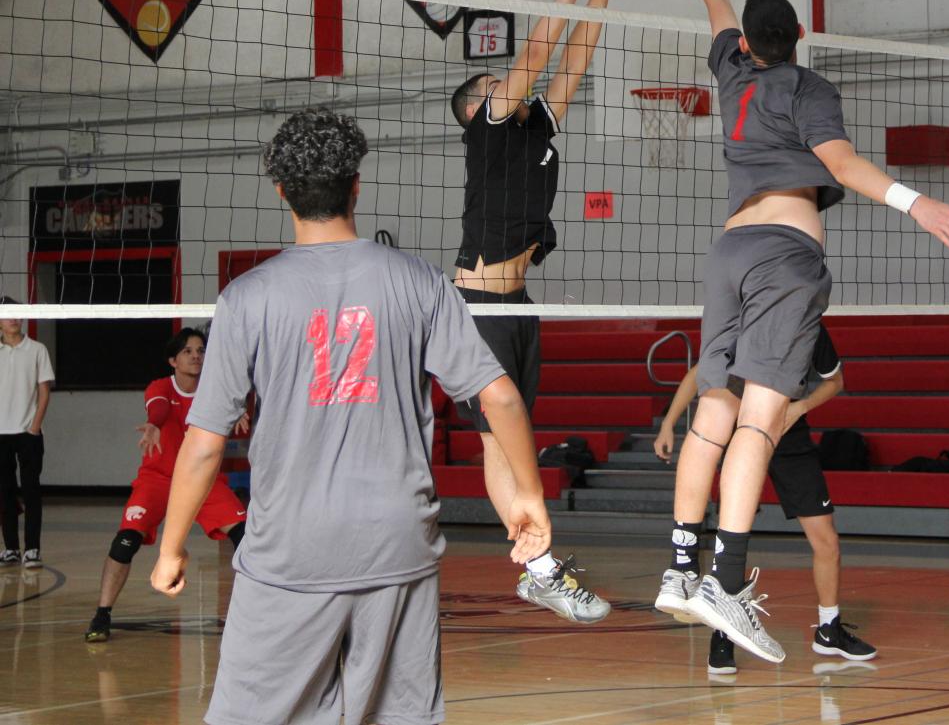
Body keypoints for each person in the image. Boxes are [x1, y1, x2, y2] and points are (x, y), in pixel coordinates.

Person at [653, 0, 949, 664]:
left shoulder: (729, 72)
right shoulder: (807, 88)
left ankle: (681, 565)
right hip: (782, 259)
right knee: (759, 421)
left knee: (714, 416)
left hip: (724, 251)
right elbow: (840, 166)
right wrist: (915, 202)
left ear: (746, 44)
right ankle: (726, 582)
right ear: (793, 39)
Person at [150, 108, 550, 725]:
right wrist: (529, 493)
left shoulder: (246, 298)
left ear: (280, 189)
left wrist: (171, 547)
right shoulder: (419, 281)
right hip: (396, 542)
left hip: (289, 550)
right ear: (356, 183)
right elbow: (498, 397)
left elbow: (204, 444)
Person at [446, 0, 619, 624]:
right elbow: (539, 52)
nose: (504, 86)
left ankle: (535, 562)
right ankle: (540, 565)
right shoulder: (487, 129)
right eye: (492, 86)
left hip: (515, 304)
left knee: (508, 436)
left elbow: (572, 61)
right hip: (475, 306)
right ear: (475, 108)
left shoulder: (533, 130)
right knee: (497, 437)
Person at [654, 324, 878, 675]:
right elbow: (699, 372)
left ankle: (829, 629)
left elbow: (836, 381)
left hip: (788, 432)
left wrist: (798, 408)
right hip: (742, 430)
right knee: (732, 539)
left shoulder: (810, 327)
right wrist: (668, 423)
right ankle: (724, 633)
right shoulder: (744, 318)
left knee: (826, 539)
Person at [85, 328, 248, 643]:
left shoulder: (215, 389)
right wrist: (154, 424)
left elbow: (234, 404)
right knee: (125, 543)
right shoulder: (160, 387)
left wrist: (239, 411)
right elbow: (158, 408)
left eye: (201, 350)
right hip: (158, 479)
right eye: (188, 351)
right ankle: (102, 614)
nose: (196, 356)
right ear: (173, 360)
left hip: (204, 480)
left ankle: (250, 615)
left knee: (246, 539)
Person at [0, 294, 53, 570]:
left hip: (28, 433)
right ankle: (10, 548)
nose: (14, 318)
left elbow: (44, 391)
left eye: (17, 313)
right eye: (8, 313)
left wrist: (34, 427)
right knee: (4, 492)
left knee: (31, 491)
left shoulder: (37, 349)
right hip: (1, 433)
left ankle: (32, 549)